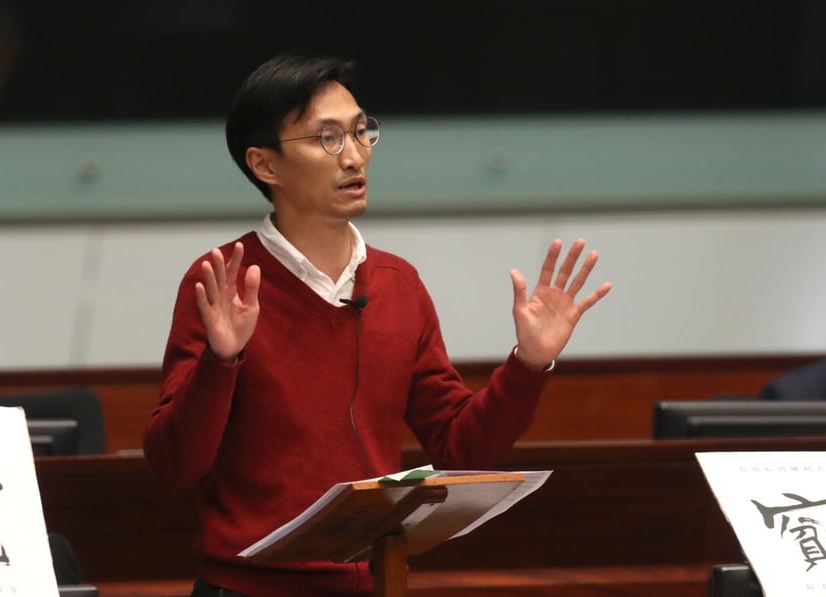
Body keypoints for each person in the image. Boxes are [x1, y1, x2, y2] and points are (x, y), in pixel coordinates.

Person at [143, 53, 612, 597]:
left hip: (372, 582)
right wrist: (220, 362)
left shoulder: (397, 284)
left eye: (361, 132)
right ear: (264, 165)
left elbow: (460, 450)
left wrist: (529, 365)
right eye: (327, 138)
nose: (355, 156)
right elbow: (174, 466)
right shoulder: (224, 283)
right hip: (246, 589)